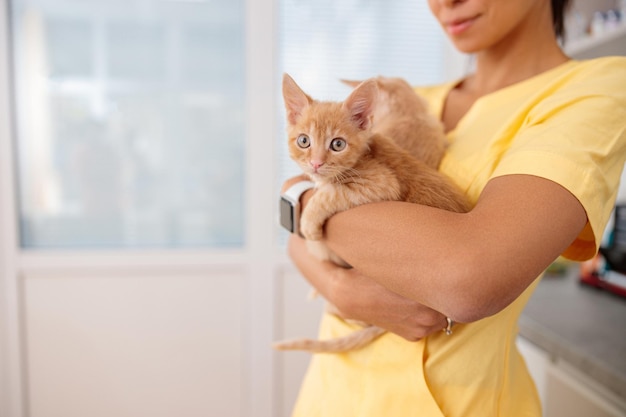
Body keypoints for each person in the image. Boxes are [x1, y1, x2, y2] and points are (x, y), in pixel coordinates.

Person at [281, 0, 626, 415]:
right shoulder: (408, 100)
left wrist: (305, 206)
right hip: (332, 395)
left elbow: (468, 278)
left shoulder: (598, 89)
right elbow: (291, 223)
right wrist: (343, 289)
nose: (445, 3)